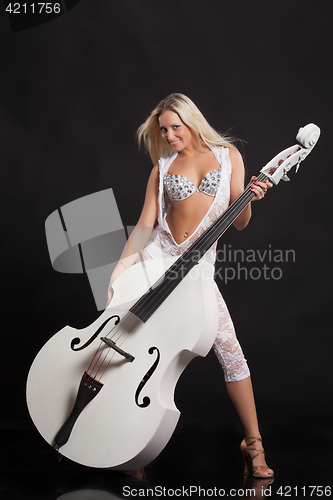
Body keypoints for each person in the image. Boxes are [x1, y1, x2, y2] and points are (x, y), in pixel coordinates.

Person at [107, 93, 274, 478]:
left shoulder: (228, 156)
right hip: (155, 263)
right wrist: (119, 271)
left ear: (191, 121)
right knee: (128, 350)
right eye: (163, 130)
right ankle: (131, 446)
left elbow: (240, 221)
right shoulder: (161, 168)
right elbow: (146, 226)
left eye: (175, 128)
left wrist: (250, 198)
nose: (168, 136)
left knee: (231, 352)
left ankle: (254, 446)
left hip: (196, 272)